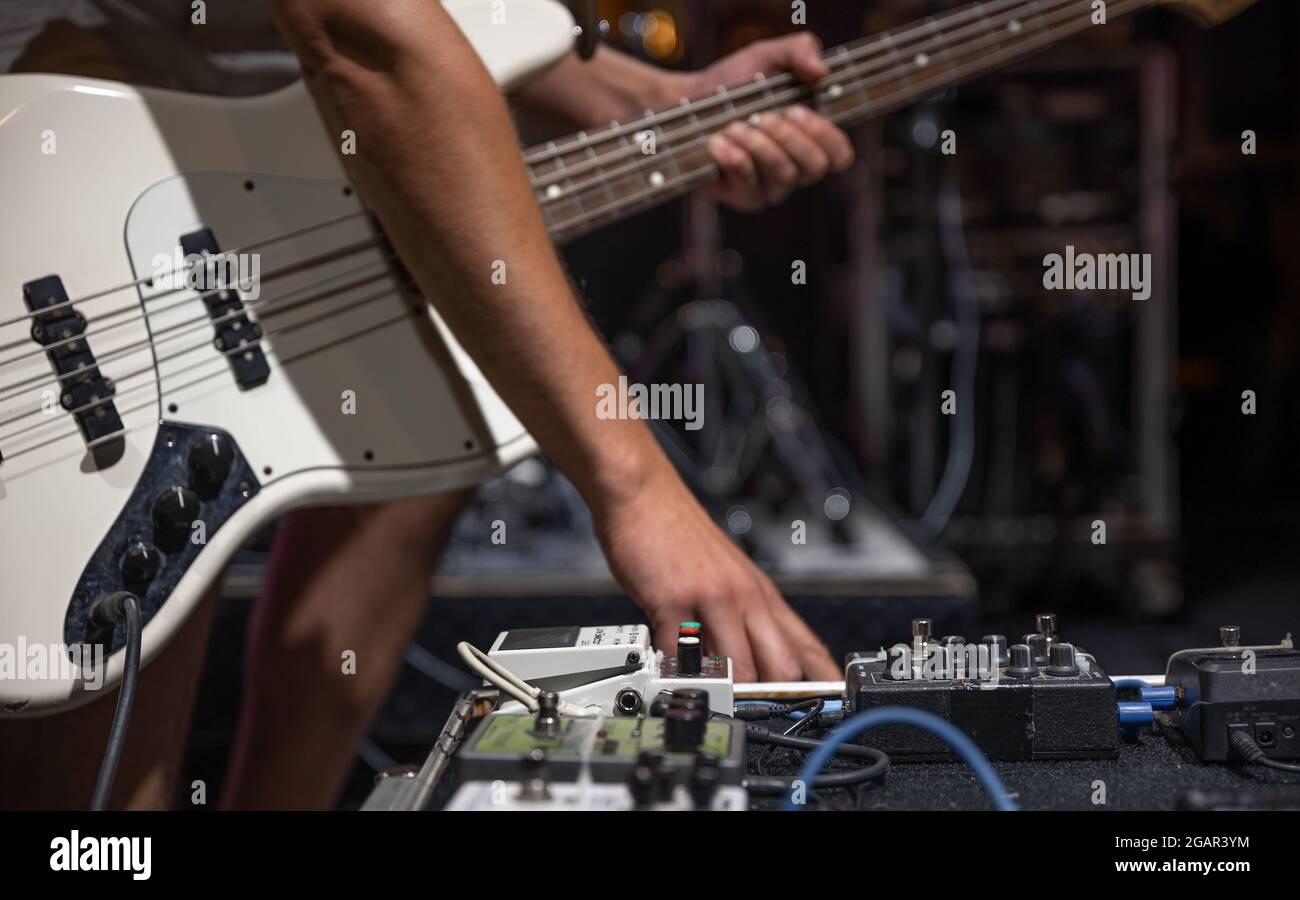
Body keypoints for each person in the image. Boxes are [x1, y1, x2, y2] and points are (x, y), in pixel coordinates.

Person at [0, 0, 853, 810]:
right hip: (87, 180)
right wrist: (637, 489)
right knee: (101, 821)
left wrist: (657, 101)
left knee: (426, 457)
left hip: (287, 150)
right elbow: (370, 37)